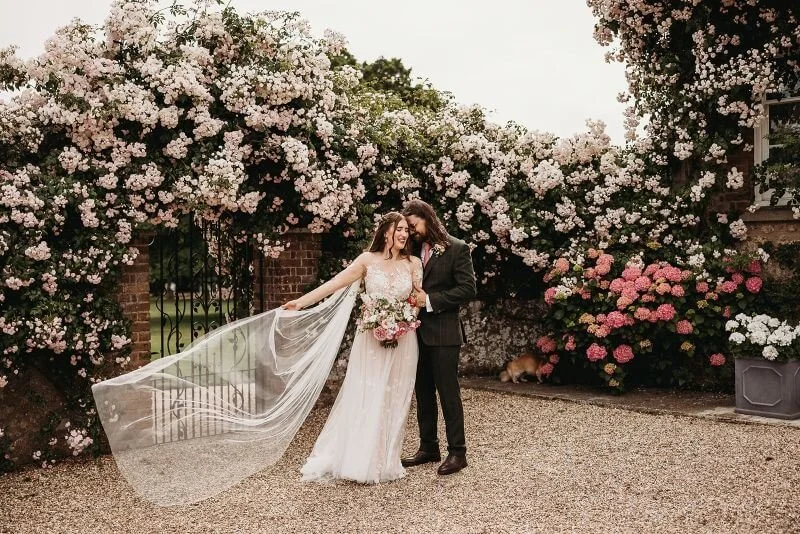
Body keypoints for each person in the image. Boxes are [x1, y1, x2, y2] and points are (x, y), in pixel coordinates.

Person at [282, 212, 424, 483]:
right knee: (368, 393)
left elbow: (417, 299)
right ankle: (361, 460)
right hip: (370, 339)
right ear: (386, 233)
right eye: (400, 229)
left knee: (396, 396)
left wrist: (404, 320)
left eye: (407, 230)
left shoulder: (413, 263)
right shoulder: (367, 261)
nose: (405, 234)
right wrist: (301, 302)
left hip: (404, 339)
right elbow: (336, 283)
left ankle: (386, 460)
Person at [401, 199, 477, 476]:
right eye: (407, 229)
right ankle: (428, 447)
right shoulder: (410, 250)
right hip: (415, 333)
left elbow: (468, 289)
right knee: (423, 392)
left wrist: (430, 300)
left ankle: (458, 453)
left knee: (448, 393)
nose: (411, 232)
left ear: (428, 218)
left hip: (444, 334)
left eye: (413, 226)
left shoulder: (457, 248)